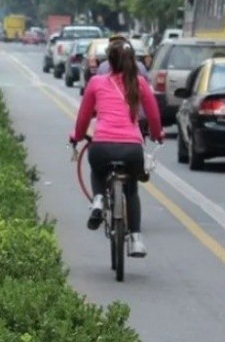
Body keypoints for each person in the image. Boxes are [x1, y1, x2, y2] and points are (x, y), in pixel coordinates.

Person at [70, 40, 164, 257]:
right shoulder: (139, 83)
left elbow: (83, 118)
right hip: (132, 150)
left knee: (97, 170)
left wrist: (76, 137)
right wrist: (158, 135)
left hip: (101, 146)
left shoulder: (95, 82)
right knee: (131, 188)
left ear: (108, 62)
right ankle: (137, 239)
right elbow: (154, 117)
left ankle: (99, 199)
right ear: (132, 61)